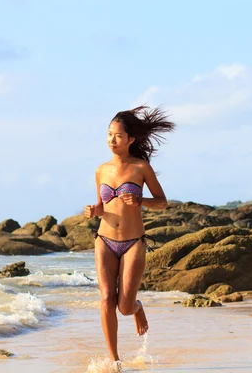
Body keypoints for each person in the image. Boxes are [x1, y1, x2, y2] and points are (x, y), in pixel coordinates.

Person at [84, 105, 175, 364]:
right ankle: (114, 361)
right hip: (104, 240)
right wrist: (94, 210)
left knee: (123, 306)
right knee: (105, 298)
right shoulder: (101, 170)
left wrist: (140, 200)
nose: (112, 140)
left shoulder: (141, 168)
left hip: (133, 242)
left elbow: (162, 201)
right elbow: (102, 207)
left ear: (131, 139)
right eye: (109, 134)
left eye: (118, 136)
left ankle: (137, 308)